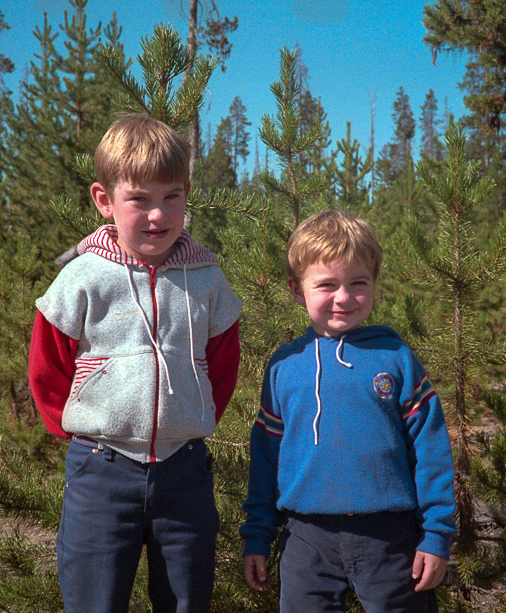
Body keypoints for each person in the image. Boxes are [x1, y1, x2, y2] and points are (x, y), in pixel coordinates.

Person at [28, 113, 242, 613]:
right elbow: (47, 365)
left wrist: (189, 419)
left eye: (171, 197)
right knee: (94, 602)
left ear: (187, 195)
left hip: (183, 472)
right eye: (139, 199)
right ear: (104, 199)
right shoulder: (82, 277)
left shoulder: (208, 280)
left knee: (186, 601)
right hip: (100, 472)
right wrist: (83, 432)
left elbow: (222, 365)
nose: (157, 214)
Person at [240, 210, 455, 613]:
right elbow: (265, 459)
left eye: (358, 283)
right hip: (305, 537)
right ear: (295, 288)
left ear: (374, 284)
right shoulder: (284, 366)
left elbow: (432, 451)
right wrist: (257, 535)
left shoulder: (396, 359)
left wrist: (436, 535)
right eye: (327, 285)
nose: (344, 297)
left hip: (390, 536)